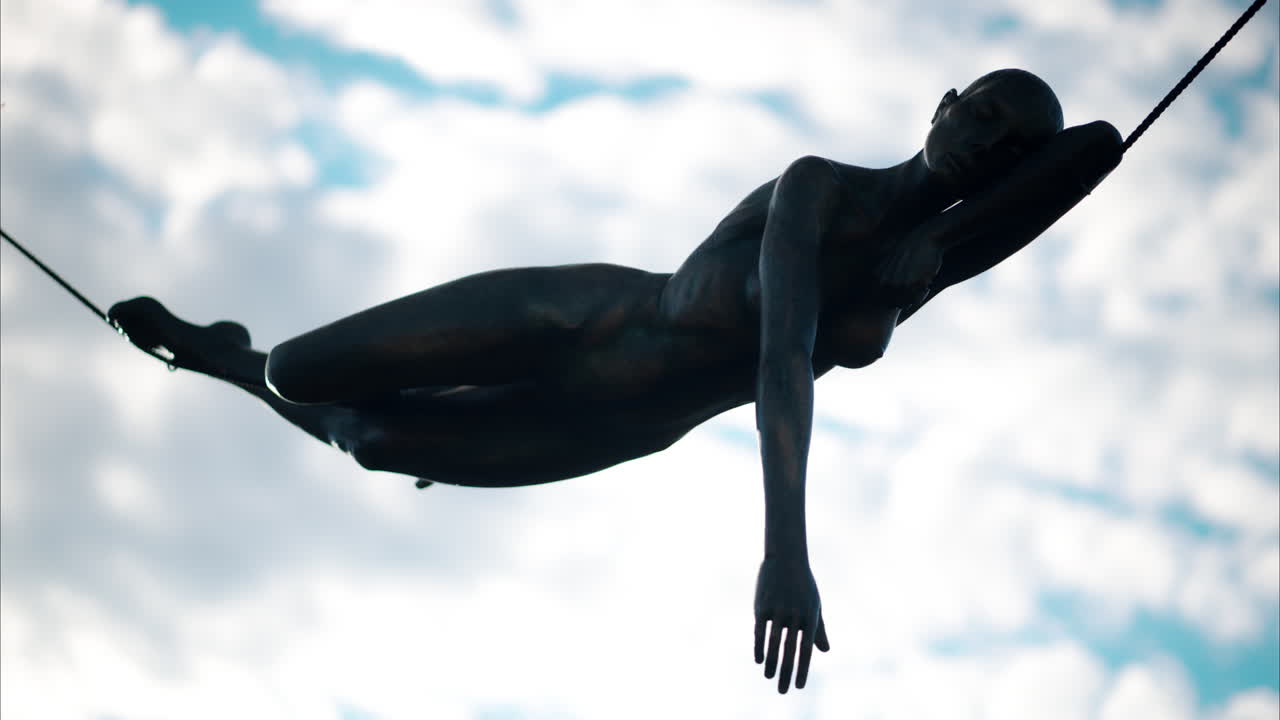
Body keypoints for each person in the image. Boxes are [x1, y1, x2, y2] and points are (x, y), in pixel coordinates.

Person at [108, 68, 1123, 694]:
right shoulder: (820, 188)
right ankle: (240, 353)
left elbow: (1089, 151)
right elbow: (780, 355)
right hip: (578, 320)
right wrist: (785, 554)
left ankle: (220, 362)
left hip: (623, 424)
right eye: (980, 113)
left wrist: (943, 238)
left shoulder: (922, 272)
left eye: (1004, 146)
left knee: (371, 442)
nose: (985, 142)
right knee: (302, 371)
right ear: (941, 107)